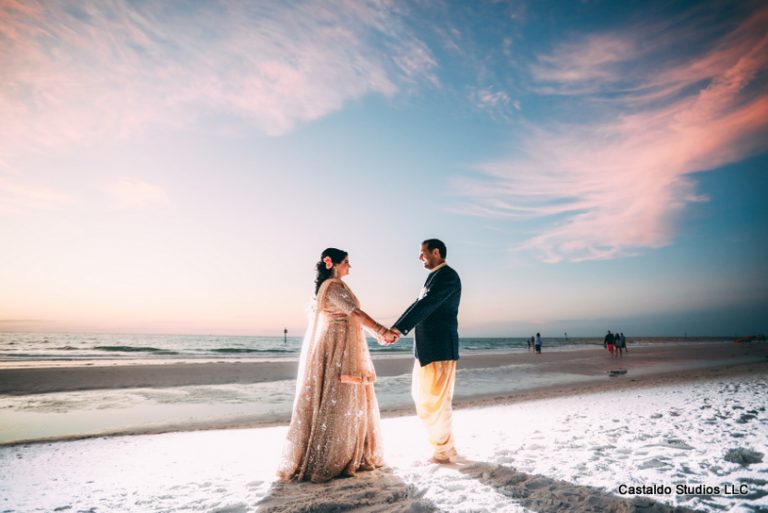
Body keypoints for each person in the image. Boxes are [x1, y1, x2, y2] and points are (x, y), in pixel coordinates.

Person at [277, 248, 397, 483]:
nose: (350, 267)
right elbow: (355, 313)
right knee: (337, 399)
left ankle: (348, 451)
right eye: (347, 263)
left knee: (346, 399)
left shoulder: (337, 287)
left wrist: (378, 336)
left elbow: (353, 318)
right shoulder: (331, 287)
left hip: (342, 345)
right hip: (335, 350)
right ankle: (328, 457)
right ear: (333, 265)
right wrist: (382, 330)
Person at [385, 239, 462, 464]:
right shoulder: (434, 277)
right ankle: (448, 447)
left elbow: (427, 303)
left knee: (435, 402)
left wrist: (397, 329)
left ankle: (443, 451)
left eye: (422, 253)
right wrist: (396, 327)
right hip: (426, 349)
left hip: (440, 347)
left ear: (436, 252)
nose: (420, 258)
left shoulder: (448, 276)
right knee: (424, 398)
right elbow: (417, 304)